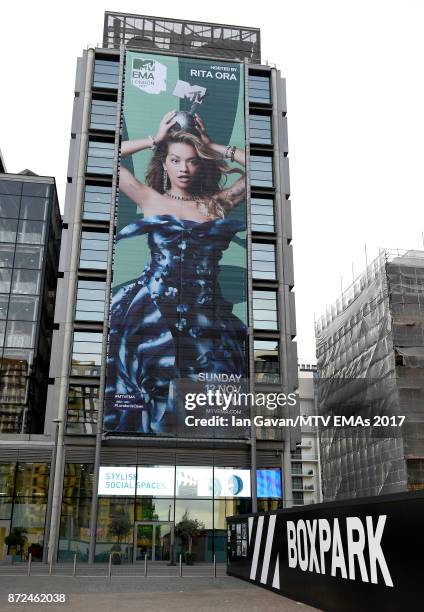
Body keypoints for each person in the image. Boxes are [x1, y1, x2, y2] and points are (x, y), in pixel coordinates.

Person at [105, 111, 247, 433]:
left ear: (202, 164)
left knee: (209, 407)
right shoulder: (149, 198)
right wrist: (154, 139)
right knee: (149, 397)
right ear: (164, 163)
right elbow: (104, 152)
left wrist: (212, 145)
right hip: (151, 310)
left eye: (193, 161)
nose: (184, 168)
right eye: (176, 159)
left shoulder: (216, 205)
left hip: (207, 315)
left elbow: (262, 168)